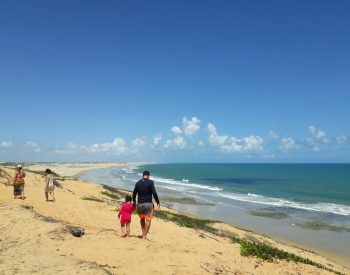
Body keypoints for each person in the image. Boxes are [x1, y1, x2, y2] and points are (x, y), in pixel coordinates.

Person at [132, 171, 160, 240]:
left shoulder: (138, 183)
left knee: (142, 219)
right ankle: (144, 236)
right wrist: (157, 202)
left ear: (143, 175)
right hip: (148, 204)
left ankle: (143, 234)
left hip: (140, 204)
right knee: (148, 220)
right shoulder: (150, 182)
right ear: (148, 175)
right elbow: (154, 193)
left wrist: (134, 202)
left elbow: (134, 194)